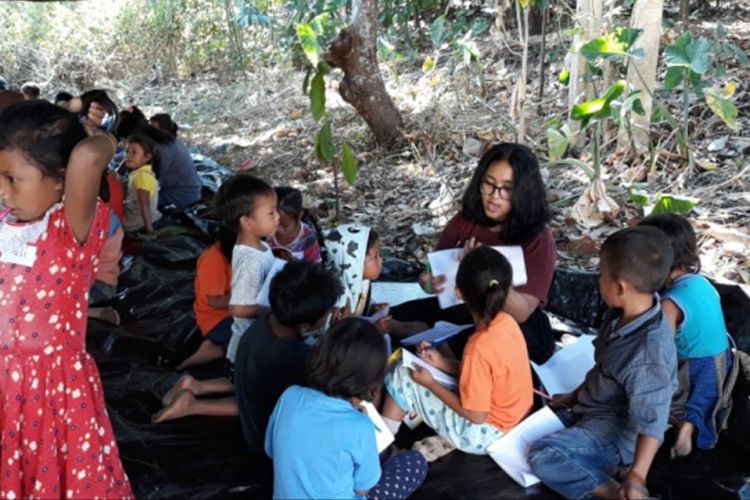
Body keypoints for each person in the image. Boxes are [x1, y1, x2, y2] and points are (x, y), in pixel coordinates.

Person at [0, 100, 132, 497]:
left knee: (53, 475)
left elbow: (90, 158)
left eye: (11, 179)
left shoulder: (68, 231)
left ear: (61, 179)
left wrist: (100, 136)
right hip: (5, 381)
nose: (3, 193)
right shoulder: (6, 222)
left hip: (52, 389)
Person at [528, 226, 677, 500]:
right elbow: (605, 368)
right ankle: (611, 468)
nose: (598, 281)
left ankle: (614, 491)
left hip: (616, 432)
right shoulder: (619, 314)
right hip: (593, 410)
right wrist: (573, 396)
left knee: (545, 455)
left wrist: (638, 476)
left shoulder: (648, 352)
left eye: (601, 275)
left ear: (620, 287)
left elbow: (652, 421)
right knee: (532, 422)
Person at [390, 143, 557, 363]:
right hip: (462, 308)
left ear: (524, 192)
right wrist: (429, 282)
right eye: (488, 184)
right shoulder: (465, 221)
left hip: (508, 321)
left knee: (474, 347)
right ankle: (427, 339)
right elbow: (430, 274)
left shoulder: (538, 239)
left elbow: (522, 312)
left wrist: (487, 269)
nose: (494, 196)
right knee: (392, 320)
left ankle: (444, 357)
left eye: (507, 189)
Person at [382, 246, 533, 459]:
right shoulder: (508, 323)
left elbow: (476, 416)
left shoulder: (478, 346)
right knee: (429, 371)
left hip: (485, 434)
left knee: (403, 376)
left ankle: (380, 448)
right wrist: (442, 364)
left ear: (459, 293)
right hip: (517, 421)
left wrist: (431, 384)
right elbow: (488, 376)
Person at [266, 318, 428, 499]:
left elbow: (271, 450)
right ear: (371, 382)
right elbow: (362, 489)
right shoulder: (361, 426)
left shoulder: (290, 396)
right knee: (415, 462)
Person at [639, 213, 733, 458]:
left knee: (653, 392)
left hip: (693, 367)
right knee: (701, 399)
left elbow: (660, 353)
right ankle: (691, 424)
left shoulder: (670, 304)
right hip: (721, 362)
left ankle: (680, 425)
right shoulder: (702, 283)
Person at [117, 107, 201, 210]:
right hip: (173, 188)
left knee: (132, 205)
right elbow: (129, 158)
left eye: (126, 140)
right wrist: (117, 174)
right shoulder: (152, 138)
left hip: (181, 196)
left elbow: (150, 187)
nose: (124, 145)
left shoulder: (159, 150)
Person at [176, 226, 236, 370]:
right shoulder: (213, 260)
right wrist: (246, 296)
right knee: (252, 338)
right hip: (216, 319)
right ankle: (206, 353)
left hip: (236, 311)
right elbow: (214, 301)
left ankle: (212, 348)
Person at [270, 186, 321, 263]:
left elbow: (315, 269)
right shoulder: (265, 233)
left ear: (300, 216)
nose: (277, 229)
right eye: (273, 222)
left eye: (284, 225)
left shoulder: (308, 238)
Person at [122, 133, 161, 233]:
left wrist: (149, 229)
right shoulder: (138, 172)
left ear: (147, 157)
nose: (128, 156)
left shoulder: (143, 176)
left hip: (137, 222)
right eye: (127, 152)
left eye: (134, 153)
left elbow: (144, 204)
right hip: (142, 217)